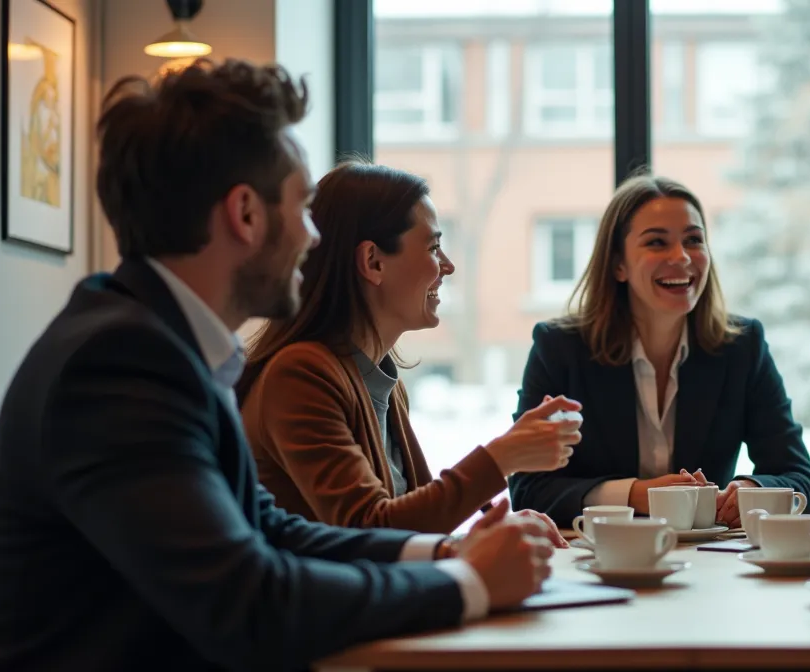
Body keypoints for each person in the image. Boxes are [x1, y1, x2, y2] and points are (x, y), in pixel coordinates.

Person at [0, 60, 553, 670]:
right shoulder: (120, 368)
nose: (315, 238)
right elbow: (250, 604)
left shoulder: (159, 345)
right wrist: (468, 585)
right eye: (304, 207)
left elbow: (273, 530)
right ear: (246, 214)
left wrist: (446, 554)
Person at [237, 160, 579, 543]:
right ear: (373, 262)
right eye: (434, 247)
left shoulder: (379, 375)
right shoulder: (300, 374)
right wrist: (502, 457)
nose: (447, 266)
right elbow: (371, 530)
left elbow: (410, 522)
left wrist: (485, 532)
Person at [508, 174, 810, 526]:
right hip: (599, 564)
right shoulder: (560, 349)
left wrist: (752, 490)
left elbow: (802, 478)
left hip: (711, 567)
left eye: (693, 240)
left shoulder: (742, 346)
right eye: (657, 242)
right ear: (618, 265)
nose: (683, 258)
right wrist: (635, 494)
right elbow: (527, 489)